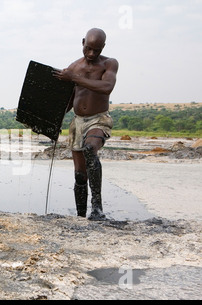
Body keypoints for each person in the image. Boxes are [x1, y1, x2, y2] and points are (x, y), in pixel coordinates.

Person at [53, 28, 119, 220]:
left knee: (90, 148)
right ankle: (81, 216)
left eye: (96, 50)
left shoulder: (109, 63)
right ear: (82, 42)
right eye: (88, 48)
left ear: (103, 48)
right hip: (78, 122)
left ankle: (97, 209)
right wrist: (54, 120)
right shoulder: (73, 67)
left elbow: (107, 87)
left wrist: (74, 78)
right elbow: (68, 98)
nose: (91, 54)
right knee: (80, 175)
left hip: (98, 119)